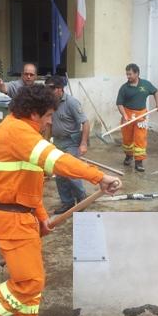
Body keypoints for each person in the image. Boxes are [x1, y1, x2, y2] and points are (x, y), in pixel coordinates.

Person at [0, 84, 121, 316]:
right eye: (48, 116)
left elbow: (28, 185)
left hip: (22, 216)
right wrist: (98, 177)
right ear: (34, 114)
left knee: (32, 277)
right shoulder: (17, 133)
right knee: (29, 282)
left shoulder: (19, 130)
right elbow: (58, 160)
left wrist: (42, 216)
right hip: (12, 220)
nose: (50, 122)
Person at [45, 75, 90, 214]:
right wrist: (46, 143)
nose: (48, 92)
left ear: (60, 89)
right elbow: (49, 124)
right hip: (58, 142)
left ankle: (81, 200)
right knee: (59, 174)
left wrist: (83, 144)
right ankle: (67, 203)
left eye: (51, 89)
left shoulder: (72, 103)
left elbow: (85, 123)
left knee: (71, 173)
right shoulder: (50, 103)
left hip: (71, 142)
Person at [116, 63, 158, 172]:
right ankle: (128, 156)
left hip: (141, 115)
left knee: (140, 138)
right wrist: (125, 116)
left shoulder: (145, 85)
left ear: (137, 73)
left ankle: (139, 162)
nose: (128, 76)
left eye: (130, 74)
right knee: (127, 138)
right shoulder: (124, 88)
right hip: (127, 115)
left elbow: (156, 92)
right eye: (127, 74)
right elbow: (119, 104)